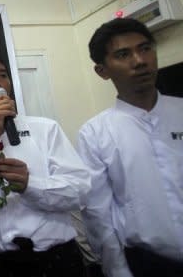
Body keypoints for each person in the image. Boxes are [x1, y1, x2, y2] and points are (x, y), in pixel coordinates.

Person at [0, 52, 90, 277]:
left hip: (58, 259)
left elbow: (80, 192)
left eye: (2, 75)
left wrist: (30, 185)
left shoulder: (46, 128)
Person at [78, 18, 183, 277]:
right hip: (151, 264)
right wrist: (117, 271)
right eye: (123, 54)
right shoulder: (96, 132)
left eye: (145, 48)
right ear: (102, 71)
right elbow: (98, 214)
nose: (139, 60)